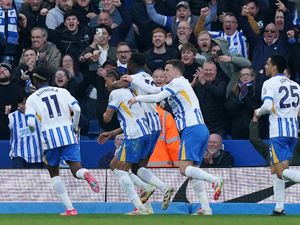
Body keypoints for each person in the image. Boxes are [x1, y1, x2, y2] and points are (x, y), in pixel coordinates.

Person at [127, 59, 224, 215]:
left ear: (176, 71)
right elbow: (155, 91)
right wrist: (132, 80)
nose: (164, 73)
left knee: (184, 169)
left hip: (191, 129)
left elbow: (156, 97)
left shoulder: (178, 82)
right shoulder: (180, 84)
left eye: (167, 69)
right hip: (200, 129)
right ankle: (206, 208)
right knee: (193, 172)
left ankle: (215, 180)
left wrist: (137, 98)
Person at [25, 63, 100, 216]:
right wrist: (74, 125)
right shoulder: (62, 91)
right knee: (76, 169)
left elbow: (31, 122)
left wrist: (34, 131)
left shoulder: (32, 99)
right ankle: (85, 173)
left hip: (49, 139)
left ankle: (70, 209)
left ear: (36, 80)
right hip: (68, 134)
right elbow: (77, 109)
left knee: (54, 173)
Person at [113, 53, 175, 211]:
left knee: (120, 168)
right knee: (138, 168)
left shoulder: (134, 77)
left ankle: (140, 206)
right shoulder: (148, 76)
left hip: (143, 127)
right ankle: (158, 193)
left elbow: (115, 86)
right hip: (155, 125)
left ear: (132, 64)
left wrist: (109, 82)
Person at [100, 69, 152, 215]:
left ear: (113, 79)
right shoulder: (130, 92)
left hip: (134, 135)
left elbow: (106, 118)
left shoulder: (115, 93)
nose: (105, 85)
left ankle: (139, 207)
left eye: (106, 81)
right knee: (114, 165)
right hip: (144, 133)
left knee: (121, 170)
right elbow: (129, 118)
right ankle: (145, 188)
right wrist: (112, 133)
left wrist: (105, 110)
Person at [254, 54, 300, 215]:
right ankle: (279, 208)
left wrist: (257, 112)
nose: (265, 66)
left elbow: (267, 106)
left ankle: (279, 207)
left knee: (281, 172)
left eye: (267, 64)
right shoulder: (295, 85)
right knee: (275, 169)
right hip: (292, 132)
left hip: (278, 133)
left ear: (274, 67)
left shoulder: (269, 83)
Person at [8, 92, 44, 168]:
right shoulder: (12, 117)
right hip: (19, 156)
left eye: (27, 103)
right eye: (22, 103)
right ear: (18, 104)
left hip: (38, 157)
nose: (25, 106)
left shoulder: (40, 115)